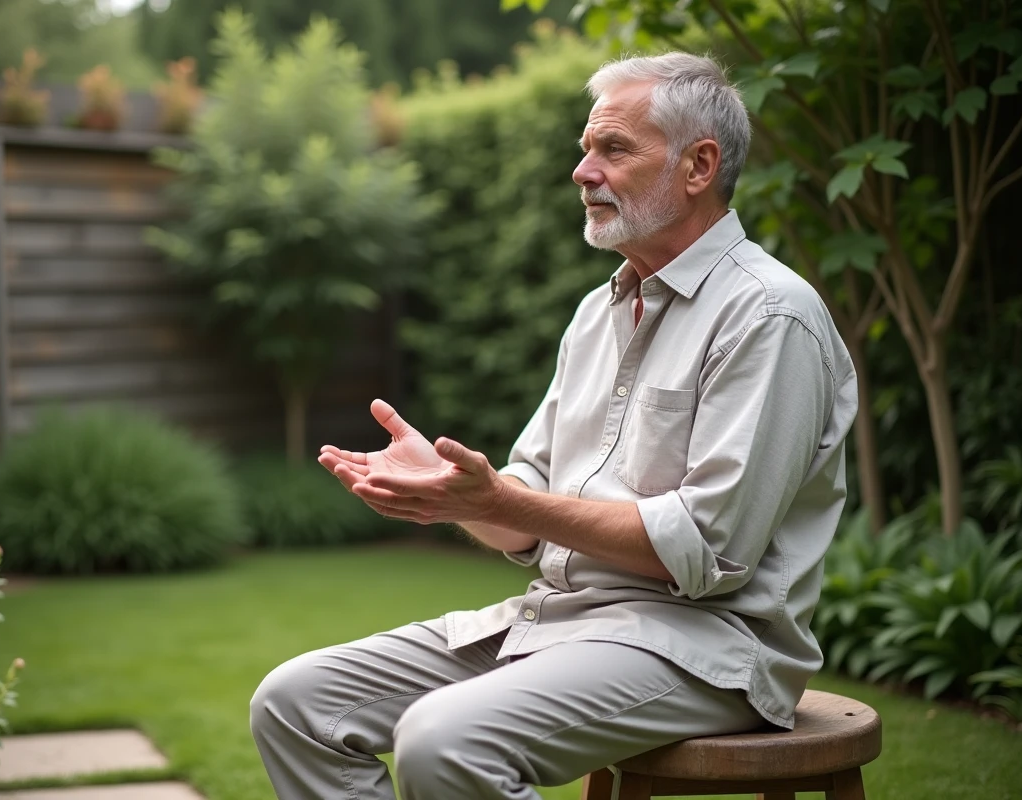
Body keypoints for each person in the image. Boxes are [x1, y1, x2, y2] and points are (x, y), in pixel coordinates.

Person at [250, 51, 858, 800]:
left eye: (613, 149)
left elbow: (706, 552)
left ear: (699, 166)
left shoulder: (769, 315)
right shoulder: (595, 312)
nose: (583, 171)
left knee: (444, 743)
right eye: (584, 150)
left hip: (703, 648)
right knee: (294, 703)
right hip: (558, 620)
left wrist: (501, 502)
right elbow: (529, 517)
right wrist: (456, 495)